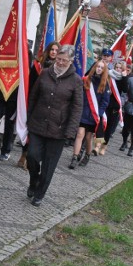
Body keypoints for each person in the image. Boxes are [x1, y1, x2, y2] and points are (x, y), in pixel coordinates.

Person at [27, 45, 83, 206]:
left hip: (59, 129)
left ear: (71, 61)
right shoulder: (45, 73)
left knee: (49, 165)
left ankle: (39, 193)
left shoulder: (76, 81)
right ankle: (33, 181)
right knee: (32, 156)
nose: (60, 62)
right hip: (37, 123)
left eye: (64, 60)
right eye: (58, 59)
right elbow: (34, 96)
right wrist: (28, 117)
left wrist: (71, 131)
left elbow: (77, 107)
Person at [18, 41, 60, 169]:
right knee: (30, 129)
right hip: (35, 101)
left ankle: (32, 159)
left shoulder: (59, 69)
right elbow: (30, 84)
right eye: (52, 49)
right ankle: (24, 155)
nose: (53, 52)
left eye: (56, 50)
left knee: (40, 132)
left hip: (48, 104)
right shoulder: (38, 65)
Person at [69, 59, 110, 169]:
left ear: (104, 70)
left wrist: (99, 114)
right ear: (94, 67)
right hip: (83, 112)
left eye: (101, 67)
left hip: (94, 115)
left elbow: (105, 102)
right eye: (98, 66)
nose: (99, 69)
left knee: (88, 138)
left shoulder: (105, 85)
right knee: (79, 134)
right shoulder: (86, 80)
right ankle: (74, 157)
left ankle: (87, 155)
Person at [100, 61, 127, 155]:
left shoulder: (122, 79)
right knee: (101, 126)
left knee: (109, 128)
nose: (118, 69)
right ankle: (97, 145)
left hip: (114, 106)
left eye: (120, 68)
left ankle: (104, 146)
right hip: (105, 104)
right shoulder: (109, 75)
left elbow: (125, 90)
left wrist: (124, 77)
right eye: (117, 67)